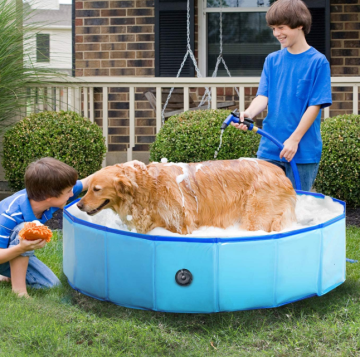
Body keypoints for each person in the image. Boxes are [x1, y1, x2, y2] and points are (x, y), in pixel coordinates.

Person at [231, 0, 332, 191]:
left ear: (299, 24)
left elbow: (314, 106)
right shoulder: (272, 60)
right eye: (273, 28)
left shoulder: (318, 62)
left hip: (302, 150)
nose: (276, 33)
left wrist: (294, 139)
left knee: (296, 208)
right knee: (265, 206)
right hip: (270, 147)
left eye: (281, 27)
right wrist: (248, 114)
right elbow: (263, 96)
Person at [0, 157, 93, 298]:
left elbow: (87, 182)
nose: (72, 194)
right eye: (68, 191)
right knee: (24, 228)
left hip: (11, 251)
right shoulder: (9, 215)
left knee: (51, 286)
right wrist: (21, 248)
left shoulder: (47, 199)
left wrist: (123, 167)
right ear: (49, 196)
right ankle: (19, 291)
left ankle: (6, 275)